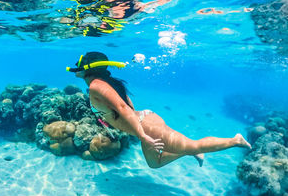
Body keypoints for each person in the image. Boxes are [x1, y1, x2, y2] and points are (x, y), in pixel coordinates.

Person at [66, 52, 251, 168]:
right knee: (155, 163)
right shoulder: (108, 83)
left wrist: (143, 136)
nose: (77, 66)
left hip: (146, 127)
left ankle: (235, 140)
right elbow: (127, 107)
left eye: (81, 62)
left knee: (192, 145)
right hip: (146, 120)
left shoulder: (97, 86)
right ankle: (191, 151)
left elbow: (123, 108)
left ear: (88, 67)